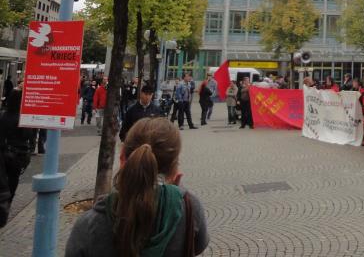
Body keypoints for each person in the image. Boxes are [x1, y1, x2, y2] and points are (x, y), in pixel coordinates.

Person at [66, 117, 208, 256]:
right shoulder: (190, 209)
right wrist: (175, 193)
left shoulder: (90, 225)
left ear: (122, 158)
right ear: (174, 169)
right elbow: (199, 245)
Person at [0, 90, 36, 227]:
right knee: (13, 180)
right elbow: (28, 135)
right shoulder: (22, 118)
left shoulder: (3, 116)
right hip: (17, 154)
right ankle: (7, 204)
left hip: (3, 152)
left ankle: (3, 201)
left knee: (3, 179)